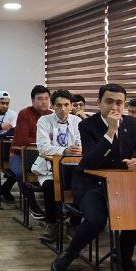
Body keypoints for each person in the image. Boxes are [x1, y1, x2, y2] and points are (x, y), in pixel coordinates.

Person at [50, 82, 136, 271]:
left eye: (119, 103)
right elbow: (91, 161)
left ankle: (124, 257)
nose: (114, 107)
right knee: (96, 220)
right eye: (109, 102)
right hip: (91, 183)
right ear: (99, 102)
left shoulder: (133, 124)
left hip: (121, 184)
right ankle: (70, 253)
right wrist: (110, 131)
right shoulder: (86, 125)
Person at [35, 89, 83, 249]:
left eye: (66, 105)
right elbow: (43, 147)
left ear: (71, 106)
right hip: (49, 166)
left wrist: (79, 149)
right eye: (59, 105)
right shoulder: (44, 121)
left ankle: (74, 223)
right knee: (50, 187)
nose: (63, 109)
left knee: (82, 186)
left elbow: (82, 143)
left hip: (73, 166)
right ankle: (52, 224)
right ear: (53, 106)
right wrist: (64, 151)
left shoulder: (77, 121)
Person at [9, 85, 51, 217]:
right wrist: (46, 141)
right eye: (40, 99)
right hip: (19, 155)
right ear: (33, 100)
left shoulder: (51, 114)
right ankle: (33, 206)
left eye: (46, 98)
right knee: (21, 173)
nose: (44, 102)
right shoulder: (24, 113)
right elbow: (22, 140)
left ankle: (55, 210)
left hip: (43, 156)